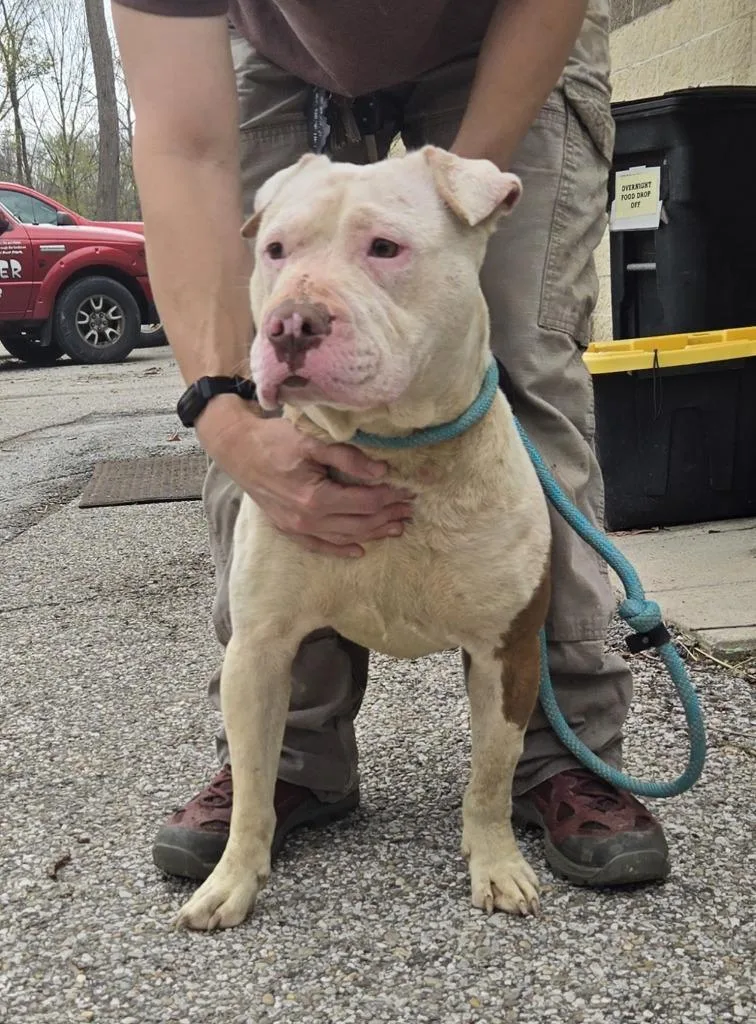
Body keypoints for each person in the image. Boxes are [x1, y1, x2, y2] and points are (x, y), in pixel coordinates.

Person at [112, 0, 670, 889]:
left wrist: (449, 207)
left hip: (506, 26)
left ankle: (561, 748)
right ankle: (289, 759)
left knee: (525, 352)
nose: (303, 307)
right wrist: (225, 420)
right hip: (270, 55)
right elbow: (183, 146)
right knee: (245, 396)